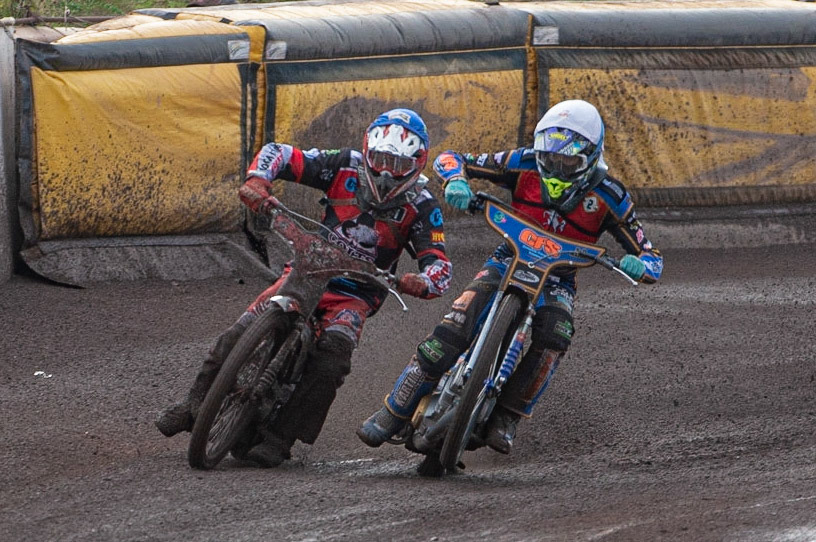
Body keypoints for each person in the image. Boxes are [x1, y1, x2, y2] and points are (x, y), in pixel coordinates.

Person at [357, 99, 663, 454]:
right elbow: (451, 158)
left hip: (557, 279)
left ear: (591, 157)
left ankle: (508, 416)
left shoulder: (612, 196)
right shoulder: (523, 162)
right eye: (550, 159)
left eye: (567, 162)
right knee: (454, 327)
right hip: (508, 259)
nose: (555, 168)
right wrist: (456, 180)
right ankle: (393, 410)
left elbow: (651, 255)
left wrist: (639, 264)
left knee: (555, 335)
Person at [156, 108, 452, 467]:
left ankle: (282, 436)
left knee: (333, 356)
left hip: (356, 294)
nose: (387, 172)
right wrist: (258, 180)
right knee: (240, 329)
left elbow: (439, 262)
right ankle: (193, 404)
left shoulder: (423, 206)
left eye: (397, 163)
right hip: (307, 269)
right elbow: (280, 153)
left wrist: (422, 280)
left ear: (417, 163)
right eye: (381, 159)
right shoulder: (344, 166)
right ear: (367, 152)